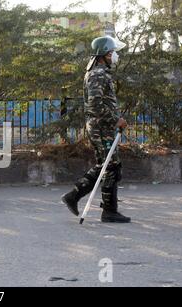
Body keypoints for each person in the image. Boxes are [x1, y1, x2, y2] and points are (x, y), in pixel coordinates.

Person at [61, 36, 131, 223]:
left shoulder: (99, 72)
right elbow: (95, 105)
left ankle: (82, 200)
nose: (115, 56)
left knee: (108, 166)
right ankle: (105, 210)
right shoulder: (97, 74)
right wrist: (116, 120)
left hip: (104, 127)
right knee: (111, 167)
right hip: (102, 128)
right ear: (105, 54)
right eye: (113, 52)